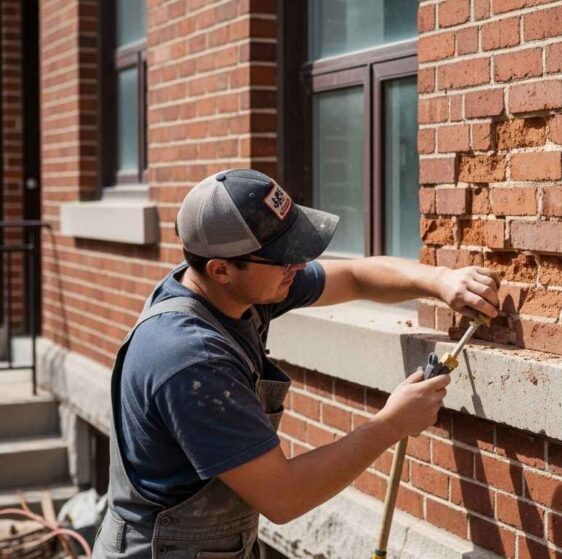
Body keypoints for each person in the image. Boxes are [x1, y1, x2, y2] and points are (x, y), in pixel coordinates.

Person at [93, 169, 500, 559]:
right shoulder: (191, 360)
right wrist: (392, 424)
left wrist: (441, 280)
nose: (299, 265)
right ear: (221, 270)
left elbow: (355, 276)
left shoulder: (234, 289)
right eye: (284, 257)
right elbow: (283, 497)